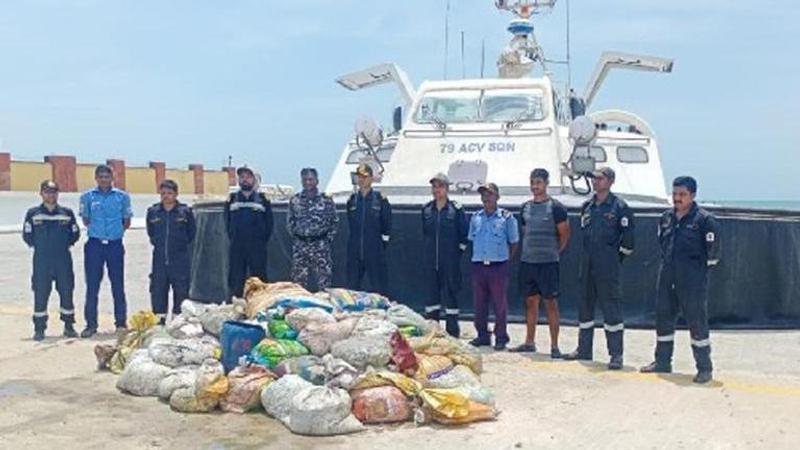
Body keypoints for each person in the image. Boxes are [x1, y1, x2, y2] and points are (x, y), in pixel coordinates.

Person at [640, 176, 720, 384]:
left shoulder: (704, 220)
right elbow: (662, 244)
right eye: (675, 194)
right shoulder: (666, 217)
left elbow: (713, 253)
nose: (677, 198)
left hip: (692, 280)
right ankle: (662, 362)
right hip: (667, 276)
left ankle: (704, 368)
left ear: (692, 195)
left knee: (697, 323)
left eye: (682, 194)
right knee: (664, 319)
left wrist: (696, 274)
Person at [563, 167, 634, 370]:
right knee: (585, 308)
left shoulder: (620, 207)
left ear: (610, 181)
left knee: (611, 310)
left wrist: (613, 260)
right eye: (594, 178)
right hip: (587, 266)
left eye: (600, 178)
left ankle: (616, 354)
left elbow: (629, 242)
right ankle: (584, 349)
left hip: (608, 267)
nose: (595, 181)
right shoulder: (587, 206)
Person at [510, 169, 570, 358]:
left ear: (546, 184)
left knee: (551, 303)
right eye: (533, 182)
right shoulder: (525, 207)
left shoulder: (556, 207)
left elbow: (565, 234)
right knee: (530, 302)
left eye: (539, 183)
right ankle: (529, 342)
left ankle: (554, 346)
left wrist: (554, 252)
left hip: (548, 263)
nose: (535, 186)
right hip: (528, 262)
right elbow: (525, 231)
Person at [79, 164, 133, 338]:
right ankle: (91, 325)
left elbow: (126, 221)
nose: (104, 179)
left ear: (112, 178)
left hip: (114, 246)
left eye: (107, 176)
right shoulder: (87, 197)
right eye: (100, 176)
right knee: (92, 286)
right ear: (96, 178)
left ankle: (121, 323)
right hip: (94, 245)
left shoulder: (122, 197)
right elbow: (86, 220)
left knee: (118, 285)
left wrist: (113, 233)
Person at [22, 180, 80, 341]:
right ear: (41, 193)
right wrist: (42, 247)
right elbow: (27, 235)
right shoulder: (33, 213)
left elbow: (74, 234)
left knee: (66, 292)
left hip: (63, 259)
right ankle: (39, 329)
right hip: (42, 261)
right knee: (40, 293)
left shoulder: (67, 213)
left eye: (54, 192)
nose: (51, 195)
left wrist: (62, 246)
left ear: (58, 194)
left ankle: (68, 326)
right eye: (47, 191)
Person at [468, 182, 519, 351]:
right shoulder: (475, 217)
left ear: (497, 196)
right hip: (479, 265)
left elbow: (513, 242)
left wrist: (504, 259)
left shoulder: (506, 218)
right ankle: (483, 335)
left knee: (500, 304)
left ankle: (501, 336)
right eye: (483, 194)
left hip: (498, 266)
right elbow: (471, 240)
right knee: (479, 303)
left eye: (490, 194)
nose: (486, 197)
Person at [421, 172, 469, 337]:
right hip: (430, 262)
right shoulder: (427, 209)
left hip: (450, 263)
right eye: (434, 187)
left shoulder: (456, 209)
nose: (436, 190)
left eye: (440, 186)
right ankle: (433, 334)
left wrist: (455, 255)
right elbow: (425, 234)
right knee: (431, 300)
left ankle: (452, 334)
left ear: (447, 189)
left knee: (451, 299)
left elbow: (464, 235)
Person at [146, 179, 196, 324]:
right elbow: (151, 233)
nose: (166, 196)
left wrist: (179, 246)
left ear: (176, 194)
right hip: (159, 260)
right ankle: (159, 323)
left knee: (181, 291)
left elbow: (191, 233)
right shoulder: (153, 212)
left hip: (179, 260)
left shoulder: (185, 212)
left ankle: (177, 323)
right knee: (158, 291)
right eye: (163, 193)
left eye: (169, 193)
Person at [224, 165, 274, 298]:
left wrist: (260, 240)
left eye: (248, 177)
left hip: (257, 247)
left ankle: (259, 305)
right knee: (236, 277)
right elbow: (227, 224)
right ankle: (236, 306)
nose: (245, 180)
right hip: (237, 246)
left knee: (259, 278)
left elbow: (269, 225)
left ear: (254, 179)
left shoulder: (263, 200)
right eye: (242, 177)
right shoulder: (232, 199)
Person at [287, 167, 338, 291]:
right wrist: (298, 239)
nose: (308, 182)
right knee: (298, 284)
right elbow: (290, 222)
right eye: (305, 180)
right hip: (301, 246)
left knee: (324, 282)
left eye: (310, 179)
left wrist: (326, 240)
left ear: (317, 181)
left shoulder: (326, 200)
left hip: (320, 245)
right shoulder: (295, 200)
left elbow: (334, 222)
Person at [346, 163, 392, 295]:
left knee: (379, 287)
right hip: (355, 250)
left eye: (365, 177)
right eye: (359, 177)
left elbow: (386, 226)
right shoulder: (352, 200)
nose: (361, 180)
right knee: (352, 287)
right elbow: (351, 223)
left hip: (374, 250)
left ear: (371, 178)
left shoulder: (379, 200)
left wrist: (380, 247)